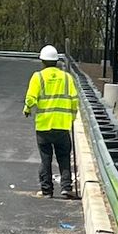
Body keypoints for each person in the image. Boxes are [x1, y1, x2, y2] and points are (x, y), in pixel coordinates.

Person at [24, 42, 80, 196]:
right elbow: (74, 99)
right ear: (56, 61)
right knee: (64, 157)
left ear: (42, 61)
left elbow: (31, 98)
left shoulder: (38, 77)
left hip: (43, 126)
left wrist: (27, 109)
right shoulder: (67, 78)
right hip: (62, 125)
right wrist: (72, 116)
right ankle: (66, 187)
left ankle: (47, 190)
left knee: (46, 158)